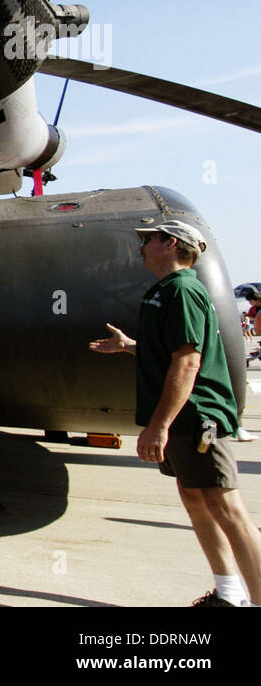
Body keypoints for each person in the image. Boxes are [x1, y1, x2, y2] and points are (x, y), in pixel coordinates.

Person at [90, 221, 261, 606]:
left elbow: (188, 363)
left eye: (148, 239)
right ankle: (229, 594)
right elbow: (171, 352)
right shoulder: (167, 290)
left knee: (226, 508)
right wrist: (130, 346)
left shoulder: (182, 289)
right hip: (184, 419)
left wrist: (158, 426)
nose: (142, 245)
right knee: (195, 499)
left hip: (198, 416)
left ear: (171, 244)